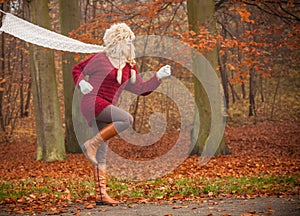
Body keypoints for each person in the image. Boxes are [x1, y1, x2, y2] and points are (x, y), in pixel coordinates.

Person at [72, 23, 171, 205]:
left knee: (101, 153)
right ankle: (90, 144)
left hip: (106, 107)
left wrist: (158, 77)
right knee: (126, 119)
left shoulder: (128, 67)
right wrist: (81, 83)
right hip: (92, 101)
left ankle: (101, 194)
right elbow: (77, 69)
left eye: (131, 42)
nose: (131, 46)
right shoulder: (100, 59)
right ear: (117, 42)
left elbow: (141, 89)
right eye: (127, 41)